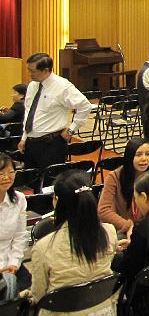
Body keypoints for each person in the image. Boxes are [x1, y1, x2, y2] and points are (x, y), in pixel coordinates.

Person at [29, 170, 118, 316]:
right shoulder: (110, 232)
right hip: (105, 310)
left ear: (57, 201)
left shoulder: (43, 248)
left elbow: (39, 296)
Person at [20, 53, 93, 170]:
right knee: (31, 178)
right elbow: (29, 113)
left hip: (51, 145)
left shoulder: (62, 86)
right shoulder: (33, 85)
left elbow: (85, 106)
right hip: (30, 143)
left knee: (50, 180)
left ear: (46, 70)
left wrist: (71, 129)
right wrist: (24, 138)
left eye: (33, 71)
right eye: (29, 70)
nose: (29, 74)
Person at [112, 170, 149, 311]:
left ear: (144, 197)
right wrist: (133, 245)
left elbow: (127, 268)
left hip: (146, 296)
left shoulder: (143, 229)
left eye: (136, 198)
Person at [98, 138, 149, 234]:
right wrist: (128, 225)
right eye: (138, 155)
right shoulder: (114, 177)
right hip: (123, 230)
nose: (144, 159)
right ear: (129, 156)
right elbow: (103, 210)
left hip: (147, 228)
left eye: (148, 154)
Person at [0, 153, 30, 292]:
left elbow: (20, 236)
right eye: (1, 173)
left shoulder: (19, 199)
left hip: (10, 262)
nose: (6, 177)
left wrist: (14, 263)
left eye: (11, 172)